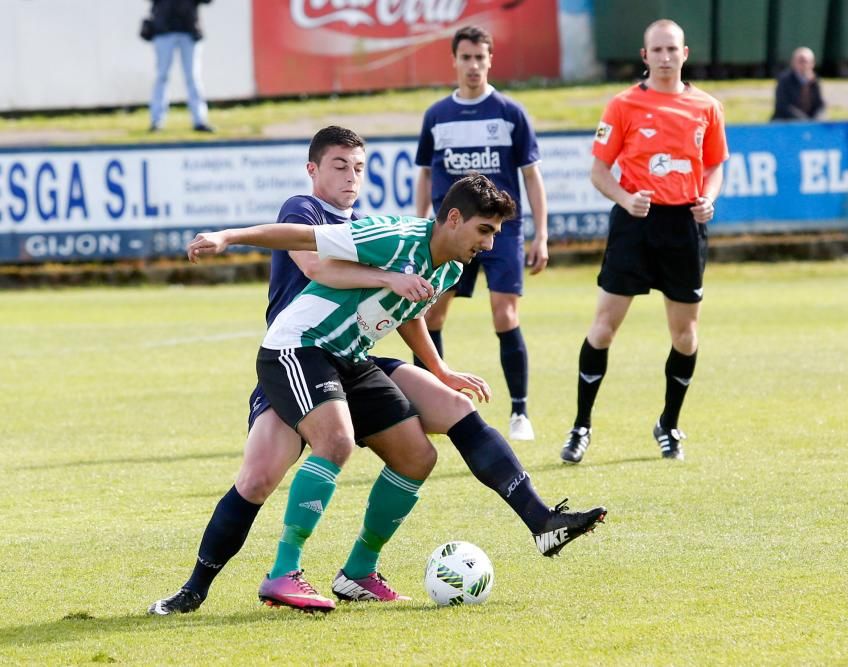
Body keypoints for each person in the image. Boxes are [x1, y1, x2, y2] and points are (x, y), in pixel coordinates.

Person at [148, 135, 605, 614]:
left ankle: (533, 523)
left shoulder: (448, 268)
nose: (489, 244)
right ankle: (261, 578)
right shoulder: (383, 232)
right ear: (453, 219)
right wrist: (227, 237)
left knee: (422, 449)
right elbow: (307, 250)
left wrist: (441, 369)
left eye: (358, 168)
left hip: (350, 355)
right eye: (484, 231)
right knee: (276, 469)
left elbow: (408, 311)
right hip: (298, 349)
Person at [559, 19, 728, 465]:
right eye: (658, 49)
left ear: (685, 54)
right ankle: (581, 426)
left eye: (673, 49)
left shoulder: (707, 107)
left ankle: (669, 425)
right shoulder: (622, 105)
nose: (666, 57)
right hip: (635, 224)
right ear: (645, 55)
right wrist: (624, 198)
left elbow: (714, 167)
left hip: (684, 229)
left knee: (686, 336)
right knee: (603, 328)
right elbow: (598, 172)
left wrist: (708, 199)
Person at [414, 25, 550, 442]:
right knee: (432, 314)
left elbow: (532, 178)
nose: (473, 65)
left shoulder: (510, 113)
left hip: (501, 235)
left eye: (480, 57)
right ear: (454, 61)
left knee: (504, 315)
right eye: (466, 57)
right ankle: (427, 406)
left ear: (490, 60)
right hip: (449, 236)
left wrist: (541, 234)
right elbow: (424, 174)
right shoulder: (437, 116)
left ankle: (519, 413)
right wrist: (420, 227)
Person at [148, 0, 214, 133]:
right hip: (164, 28)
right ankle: (157, 121)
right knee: (162, 76)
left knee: (193, 77)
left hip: (189, 28)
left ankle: (200, 120)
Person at [771, 47, 826, 121]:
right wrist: (804, 120)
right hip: (786, 121)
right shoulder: (784, 79)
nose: (803, 65)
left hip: (810, 122)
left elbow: (820, 105)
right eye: (800, 61)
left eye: (805, 61)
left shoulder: (815, 81)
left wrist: (816, 119)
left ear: (812, 63)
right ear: (793, 62)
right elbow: (783, 105)